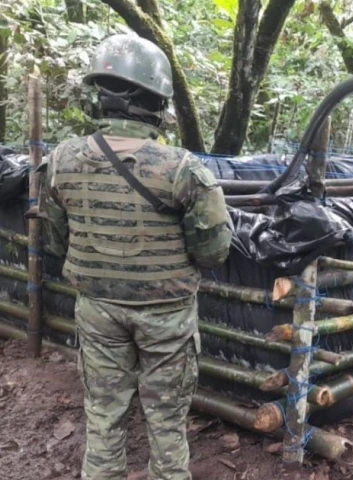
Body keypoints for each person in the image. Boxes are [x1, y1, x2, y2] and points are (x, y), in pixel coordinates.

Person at [38, 34, 232, 480]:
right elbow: (214, 251)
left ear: (99, 98)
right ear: (156, 102)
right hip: (166, 317)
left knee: (103, 419)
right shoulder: (182, 168)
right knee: (166, 424)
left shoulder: (61, 160)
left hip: (98, 310)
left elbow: (54, 240)